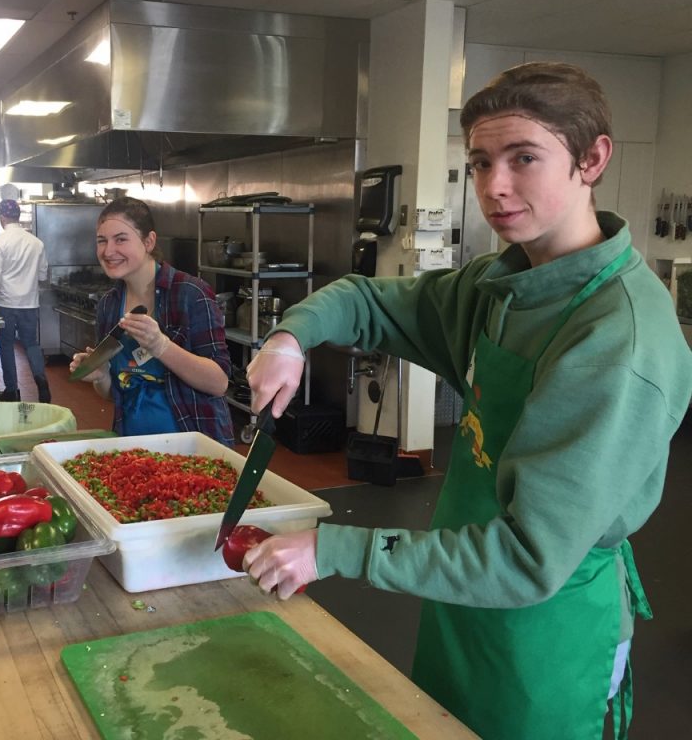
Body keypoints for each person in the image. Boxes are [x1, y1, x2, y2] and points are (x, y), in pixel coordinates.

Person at [242, 62, 692, 740]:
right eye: (480, 163)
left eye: (524, 158)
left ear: (592, 160)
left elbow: (527, 558)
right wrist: (289, 338)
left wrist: (334, 551)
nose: (495, 187)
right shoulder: (501, 284)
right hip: (458, 595)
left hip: (545, 629)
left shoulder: (617, 341)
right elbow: (367, 299)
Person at [69, 197, 234, 445]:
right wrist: (101, 375)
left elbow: (219, 383)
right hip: (134, 450)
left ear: (149, 241)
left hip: (194, 449)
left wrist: (161, 346)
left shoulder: (191, 294)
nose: (108, 251)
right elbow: (115, 394)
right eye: (102, 241)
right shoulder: (109, 304)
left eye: (121, 239)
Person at [0, 198, 51, 403]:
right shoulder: (36, 243)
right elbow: (43, 276)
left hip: (6, 303)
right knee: (31, 344)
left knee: (7, 345)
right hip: (30, 302)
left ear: (2, 217)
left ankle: (12, 391)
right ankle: (41, 381)